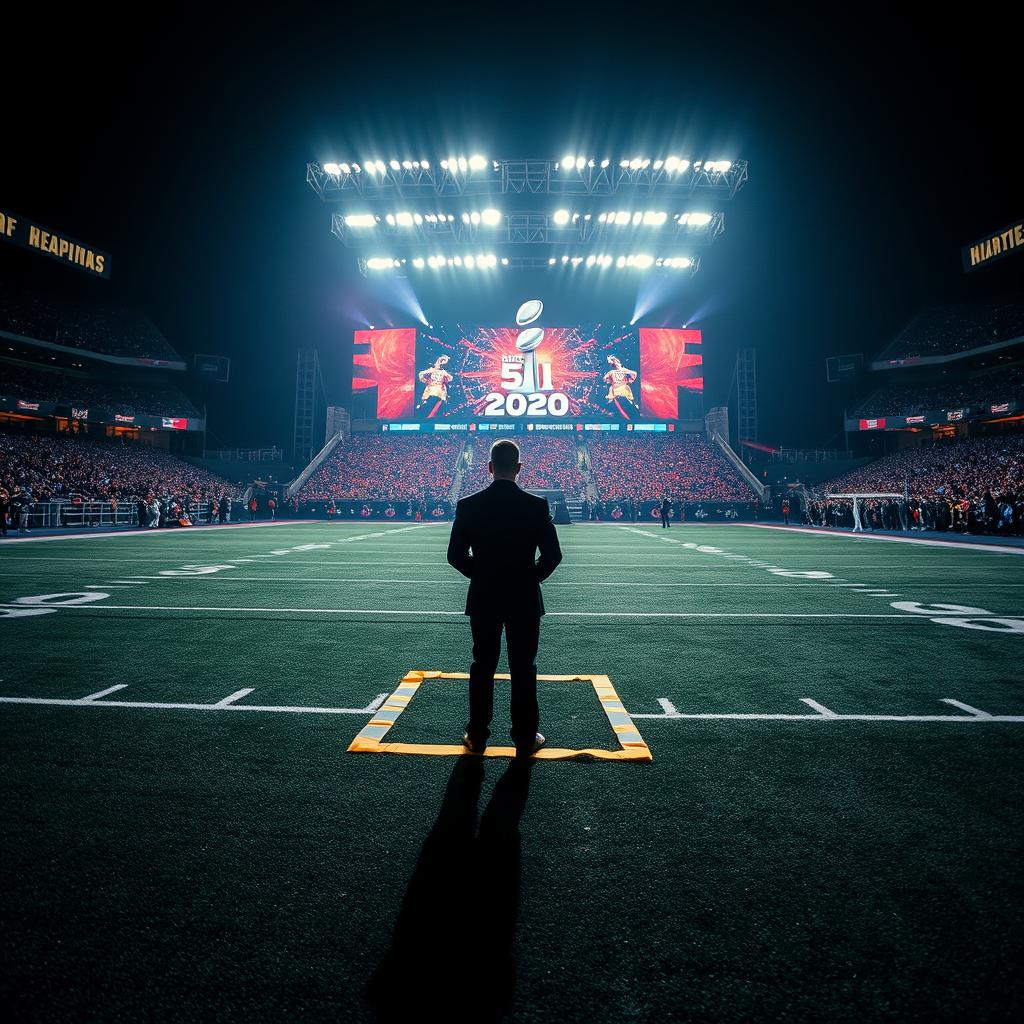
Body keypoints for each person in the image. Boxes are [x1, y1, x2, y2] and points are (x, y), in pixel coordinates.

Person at [447, 439, 562, 758]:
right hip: (524, 599)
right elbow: (553, 556)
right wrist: (528, 578)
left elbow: (455, 556)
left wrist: (483, 576)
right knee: (523, 667)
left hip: (484, 597)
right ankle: (525, 736)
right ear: (519, 468)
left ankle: (477, 734)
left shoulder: (469, 504)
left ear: (489, 467)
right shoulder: (536, 505)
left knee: (482, 665)